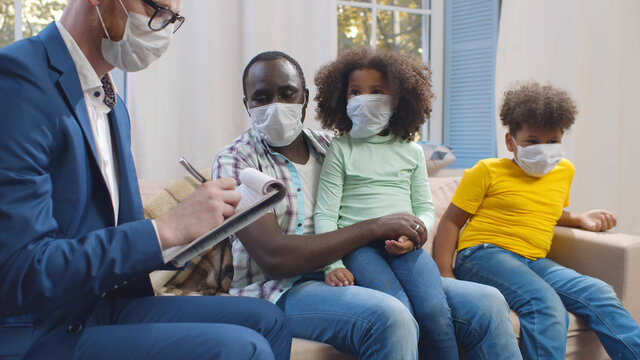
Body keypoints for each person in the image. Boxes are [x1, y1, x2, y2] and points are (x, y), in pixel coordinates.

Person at [0, 1, 291, 359]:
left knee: (268, 320)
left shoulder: (113, 104)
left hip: (101, 306)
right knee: (243, 349)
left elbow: (121, 233)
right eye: (155, 7)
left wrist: (193, 232)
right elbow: (18, 271)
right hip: (39, 329)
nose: (163, 28)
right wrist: (165, 229)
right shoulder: (18, 81)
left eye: (173, 18)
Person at [210, 50, 523, 360]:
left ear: (305, 97)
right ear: (247, 104)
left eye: (287, 94)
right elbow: (274, 257)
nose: (276, 105)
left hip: (360, 269)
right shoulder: (236, 159)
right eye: (262, 97)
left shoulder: (331, 146)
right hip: (283, 289)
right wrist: (375, 228)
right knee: (392, 315)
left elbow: (390, 161)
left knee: (489, 301)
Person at [433, 81, 640, 359]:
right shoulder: (487, 171)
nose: (544, 149)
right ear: (511, 141)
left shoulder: (564, 171)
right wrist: (445, 275)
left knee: (598, 291)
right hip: (483, 254)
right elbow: (450, 222)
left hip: (533, 260)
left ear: (562, 137)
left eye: (552, 141)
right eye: (532, 141)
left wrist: (579, 218)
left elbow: (545, 211)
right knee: (544, 304)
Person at [313, 47, 457, 359]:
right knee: (399, 309)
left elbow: (424, 208)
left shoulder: (412, 151)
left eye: (376, 91)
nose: (365, 99)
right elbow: (325, 212)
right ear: (341, 99)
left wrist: (415, 235)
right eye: (355, 92)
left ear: (398, 99)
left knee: (435, 312)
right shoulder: (340, 149)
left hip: (406, 245)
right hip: (357, 247)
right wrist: (332, 264)